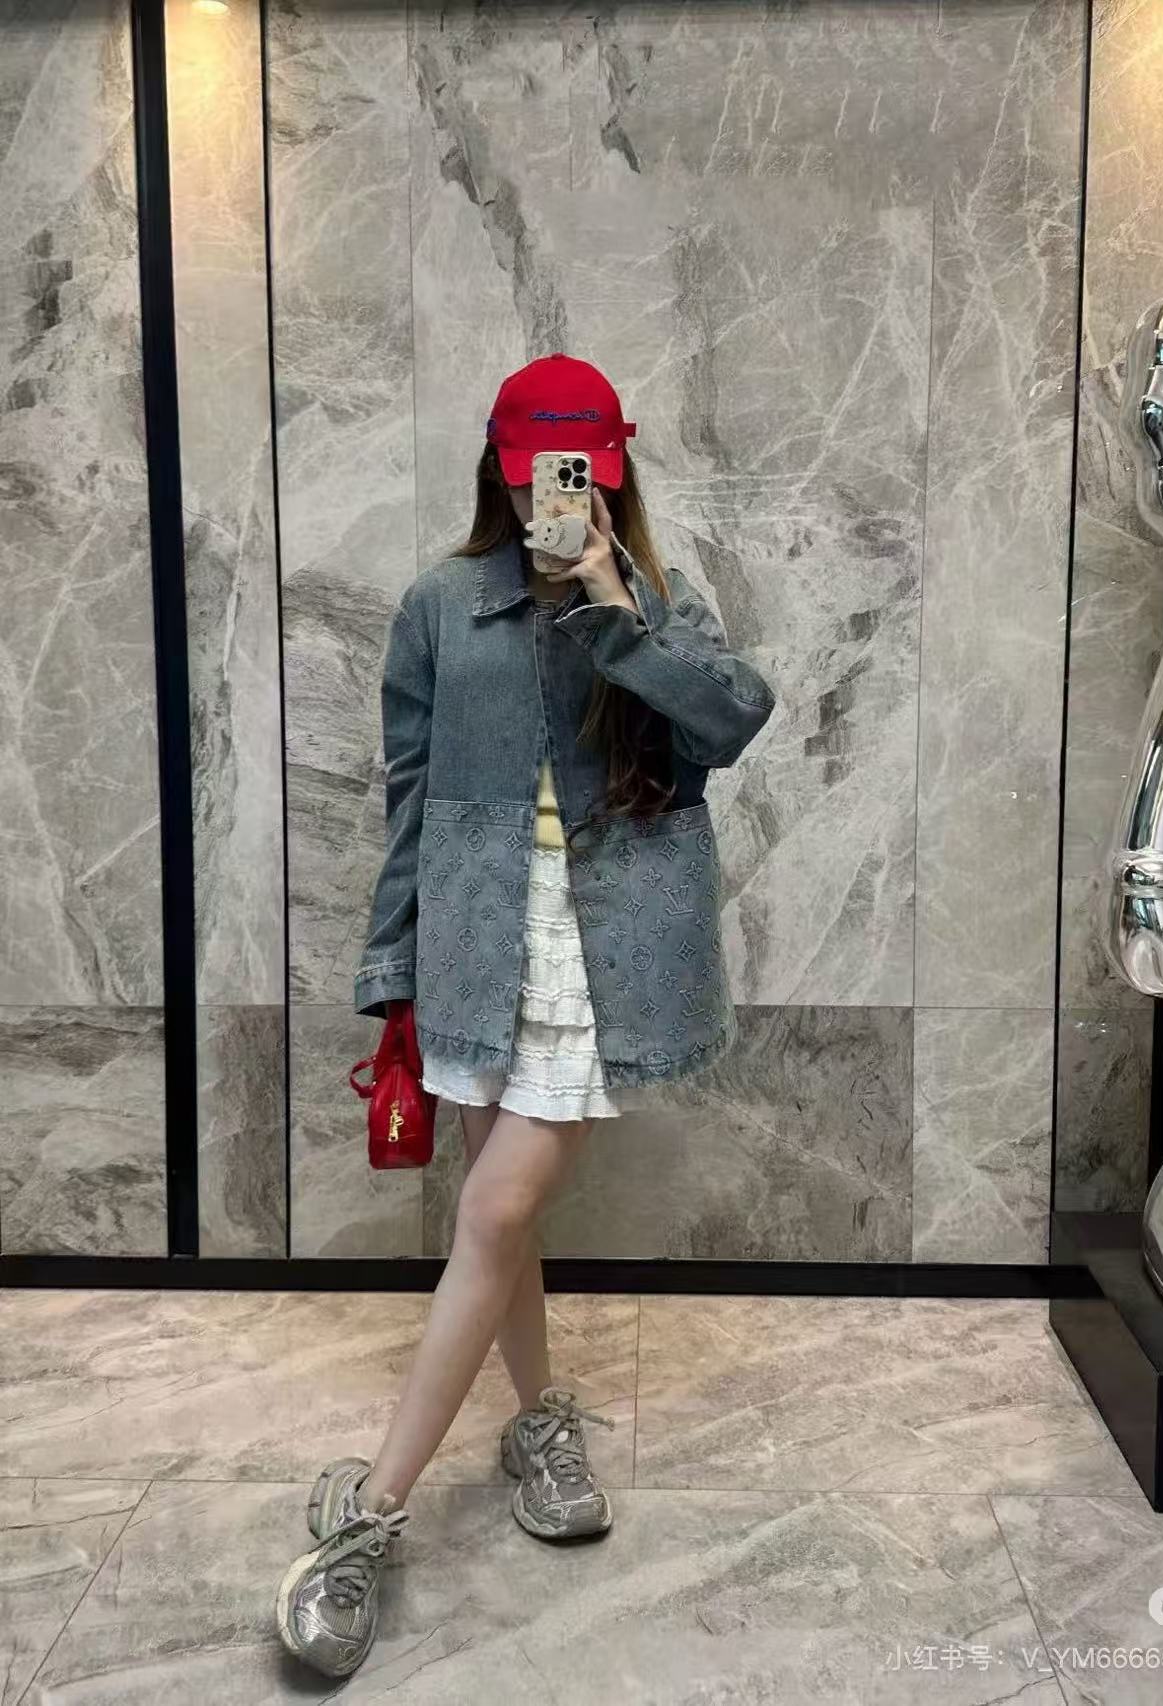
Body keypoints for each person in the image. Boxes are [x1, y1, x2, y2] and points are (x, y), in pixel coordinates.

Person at [275, 353, 776, 1679]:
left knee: (494, 1213)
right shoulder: (441, 605)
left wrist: (615, 606)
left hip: (604, 957)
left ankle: (372, 1510)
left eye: (575, 468)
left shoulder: (656, 600)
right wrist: (392, 971)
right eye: (531, 466)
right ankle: (538, 1422)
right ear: (498, 468)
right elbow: (411, 795)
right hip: (475, 949)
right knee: (505, 1225)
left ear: (609, 471)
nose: (548, 491)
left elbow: (734, 720)